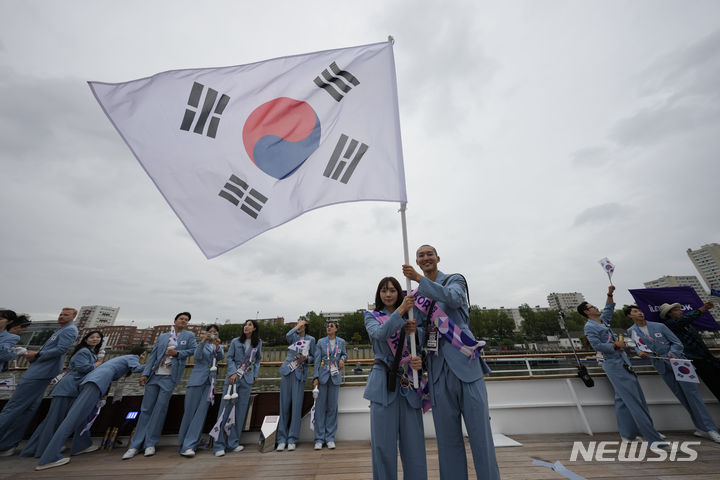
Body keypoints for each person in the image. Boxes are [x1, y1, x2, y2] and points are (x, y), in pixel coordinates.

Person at [403, 245, 500, 480]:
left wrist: (418, 279)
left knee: (480, 435)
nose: (425, 258)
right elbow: (424, 338)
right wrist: (412, 332)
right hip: (437, 371)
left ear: (437, 258)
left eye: (429, 254)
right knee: (447, 440)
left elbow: (454, 300)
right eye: (421, 256)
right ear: (416, 260)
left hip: (466, 365)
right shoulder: (416, 296)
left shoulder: (454, 280)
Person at [35, 346, 147, 470]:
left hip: (92, 382)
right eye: (143, 355)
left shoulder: (120, 359)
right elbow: (137, 368)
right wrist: (153, 366)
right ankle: (49, 457)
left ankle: (80, 445)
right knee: (73, 419)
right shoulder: (132, 357)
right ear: (140, 354)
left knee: (84, 417)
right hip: (96, 383)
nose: (142, 357)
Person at [580, 287, 666, 445]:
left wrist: (610, 293)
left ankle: (628, 435)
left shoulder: (603, 321)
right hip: (613, 364)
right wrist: (615, 345)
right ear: (586, 312)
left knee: (623, 399)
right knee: (634, 400)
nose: (595, 307)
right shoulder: (590, 327)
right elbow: (597, 345)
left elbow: (609, 308)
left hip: (622, 361)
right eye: (592, 307)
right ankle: (652, 437)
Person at [624, 305, 720, 443]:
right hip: (659, 364)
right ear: (629, 316)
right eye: (635, 311)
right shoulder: (631, 330)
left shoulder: (659, 326)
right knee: (681, 396)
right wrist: (640, 353)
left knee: (693, 395)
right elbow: (637, 347)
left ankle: (711, 429)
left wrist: (672, 353)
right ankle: (701, 428)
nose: (639, 313)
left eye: (640, 310)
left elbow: (677, 343)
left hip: (678, 362)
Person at [364, 276, 427, 480]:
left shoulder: (411, 313)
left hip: (409, 382)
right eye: (384, 290)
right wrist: (400, 311)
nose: (388, 294)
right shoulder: (371, 316)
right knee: (383, 448)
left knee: (415, 447)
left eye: (392, 290)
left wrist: (416, 334)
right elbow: (381, 334)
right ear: (379, 294)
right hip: (383, 384)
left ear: (399, 292)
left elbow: (424, 341)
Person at [0, 307, 79, 456]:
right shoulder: (62, 330)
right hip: (43, 371)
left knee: (13, 407)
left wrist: (37, 355)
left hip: (40, 372)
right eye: (61, 314)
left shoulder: (69, 330)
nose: (61, 316)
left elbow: (61, 349)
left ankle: (6, 444)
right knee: (28, 409)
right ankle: (7, 444)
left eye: (66, 315)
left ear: (73, 317)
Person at [123, 312, 197, 459]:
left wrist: (178, 353)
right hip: (155, 375)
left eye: (186, 320)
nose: (184, 321)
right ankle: (134, 445)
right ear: (175, 320)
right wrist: (145, 373)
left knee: (160, 410)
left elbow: (193, 350)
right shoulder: (163, 336)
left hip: (170, 376)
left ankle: (150, 443)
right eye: (181, 319)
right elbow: (153, 356)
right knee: (145, 409)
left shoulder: (189, 336)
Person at [21, 330, 104, 458]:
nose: (95, 339)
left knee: (55, 419)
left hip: (72, 389)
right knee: (54, 420)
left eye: (98, 337)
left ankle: (37, 447)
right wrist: (97, 364)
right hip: (67, 388)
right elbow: (82, 368)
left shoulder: (90, 352)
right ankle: (43, 449)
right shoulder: (83, 351)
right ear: (85, 339)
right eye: (92, 337)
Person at [213, 320, 262, 457]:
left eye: (250, 325)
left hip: (247, 379)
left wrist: (255, 375)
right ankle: (219, 444)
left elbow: (257, 360)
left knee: (241, 412)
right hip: (233, 379)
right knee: (225, 410)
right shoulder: (235, 341)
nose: (246, 326)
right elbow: (229, 359)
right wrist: (233, 372)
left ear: (254, 329)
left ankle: (233, 442)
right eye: (245, 324)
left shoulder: (257, 343)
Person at [178, 324, 225, 457]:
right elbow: (197, 357)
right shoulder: (201, 345)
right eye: (210, 332)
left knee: (201, 414)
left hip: (210, 382)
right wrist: (203, 341)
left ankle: (191, 444)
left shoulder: (217, 346)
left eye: (215, 332)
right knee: (189, 412)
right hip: (197, 380)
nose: (212, 334)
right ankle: (183, 444)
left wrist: (217, 345)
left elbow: (220, 356)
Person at [660, 301, 720, 402]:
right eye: (676, 310)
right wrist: (703, 309)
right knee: (715, 385)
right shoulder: (669, 325)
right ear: (669, 314)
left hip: (707, 358)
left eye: (679, 309)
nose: (680, 311)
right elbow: (684, 320)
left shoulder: (687, 325)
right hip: (697, 361)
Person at [276, 317, 315, 452]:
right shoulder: (293, 336)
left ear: (307, 325)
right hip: (288, 371)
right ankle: (281, 438)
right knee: (284, 406)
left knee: (296, 407)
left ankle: (292, 438)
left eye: (303, 323)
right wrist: (297, 326)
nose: (301, 325)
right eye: (299, 323)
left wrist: (306, 358)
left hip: (300, 373)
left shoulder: (311, 339)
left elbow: (313, 357)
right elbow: (287, 335)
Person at [312, 320, 347, 450]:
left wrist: (343, 359)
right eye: (327, 326)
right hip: (322, 377)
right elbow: (316, 360)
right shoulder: (321, 342)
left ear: (336, 329)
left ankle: (330, 437)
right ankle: (319, 438)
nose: (328, 328)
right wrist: (315, 377)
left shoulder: (341, 342)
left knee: (333, 408)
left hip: (335, 376)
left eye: (331, 326)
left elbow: (344, 354)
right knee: (320, 409)